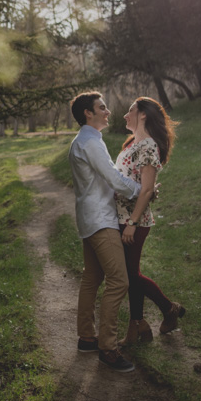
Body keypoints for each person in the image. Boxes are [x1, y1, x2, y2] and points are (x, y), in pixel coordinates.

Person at [68, 91, 142, 373]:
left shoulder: (85, 141)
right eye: (102, 107)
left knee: (92, 278)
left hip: (89, 218)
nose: (108, 111)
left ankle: (87, 338)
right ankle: (108, 348)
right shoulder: (90, 143)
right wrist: (141, 191)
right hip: (100, 220)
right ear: (89, 113)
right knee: (119, 281)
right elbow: (112, 177)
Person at [115, 97, 185, 345]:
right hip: (122, 217)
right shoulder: (132, 144)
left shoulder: (148, 147)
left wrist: (132, 223)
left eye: (130, 111)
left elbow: (145, 190)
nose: (125, 115)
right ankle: (138, 325)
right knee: (130, 274)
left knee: (130, 275)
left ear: (143, 114)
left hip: (134, 221)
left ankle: (168, 309)